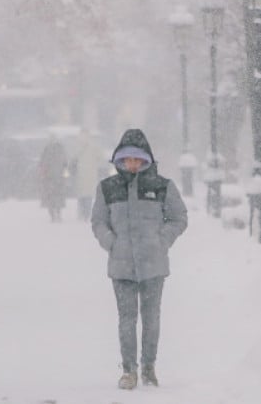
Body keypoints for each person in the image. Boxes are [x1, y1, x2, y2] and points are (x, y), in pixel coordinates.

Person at [90, 129, 188, 390]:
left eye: (137, 159)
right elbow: (98, 221)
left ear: (146, 159)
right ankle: (128, 371)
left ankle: (149, 367)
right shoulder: (107, 188)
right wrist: (111, 243)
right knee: (126, 319)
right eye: (127, 159)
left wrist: (162, 240)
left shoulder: (162, 186)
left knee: (152, 319)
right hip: (121, 265)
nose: (132, 164)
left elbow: (179, 217)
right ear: (119, 160)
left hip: (153, 265)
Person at [73, 129, 106, 220]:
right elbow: (101, 157)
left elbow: (73, 159)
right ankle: (84, 214)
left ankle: (84, 213)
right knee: (85, 196)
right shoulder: (90, 147)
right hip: (86, 175)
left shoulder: (80, 146)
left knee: (84, 196)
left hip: (85, 175)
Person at [37, 136, 68, 222]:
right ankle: (56, 214)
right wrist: (65, 176)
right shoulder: (59, 150)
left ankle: (54, 215)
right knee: (55, 197)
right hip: (55, 178)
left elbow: (42, 163)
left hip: (51, 178)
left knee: (52, 197)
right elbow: (65, 164)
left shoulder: (47, 150)